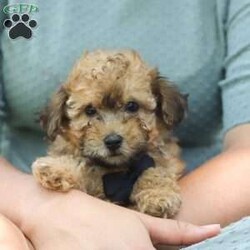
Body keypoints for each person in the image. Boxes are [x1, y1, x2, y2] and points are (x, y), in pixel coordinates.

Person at [0, 0, 250, 249]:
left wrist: (128, 228)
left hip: (196, 215)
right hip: (27, 215)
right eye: (90, 111)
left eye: (131, 107)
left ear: (163, 107)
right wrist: (36, 210)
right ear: (61, 118)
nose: (112, 133)